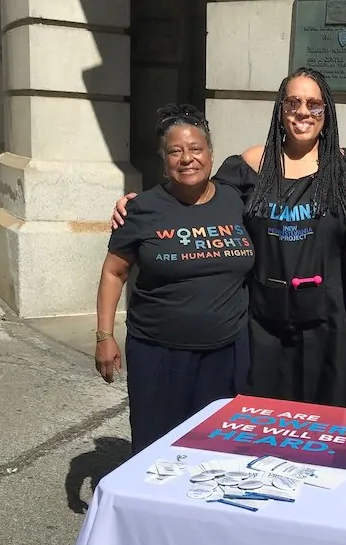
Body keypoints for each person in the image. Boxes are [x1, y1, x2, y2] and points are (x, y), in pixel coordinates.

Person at [113, 70, 346, 408]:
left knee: (318, 429)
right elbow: (197, 192)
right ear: (280, 111)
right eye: (293, 103)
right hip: (262, 327)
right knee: (257, 426)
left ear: (326, 112)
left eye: (314, 104)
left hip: (323, 327)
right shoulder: (252, 164)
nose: (303, 112)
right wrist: (141, 204)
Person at [96, 104, 254, 454]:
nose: (187, 158)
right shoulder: (142, 209)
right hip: (159, 354)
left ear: (211, 155)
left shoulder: (236, 198)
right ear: (163, 160)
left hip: (226, 353)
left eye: (196, 149)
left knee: (217, 450)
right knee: (157, 452)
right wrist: (105, 336)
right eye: (175, 151)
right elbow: (113, 271)